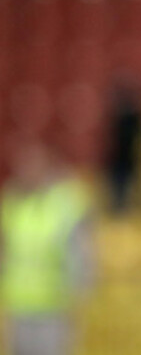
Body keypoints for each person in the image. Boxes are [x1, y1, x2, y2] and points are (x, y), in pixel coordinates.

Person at [0, 139, 94, 355]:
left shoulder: (65, 202)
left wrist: (79, 291)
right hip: (18, 303)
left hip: (54, 304)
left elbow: (81, 252)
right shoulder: (13, 201)